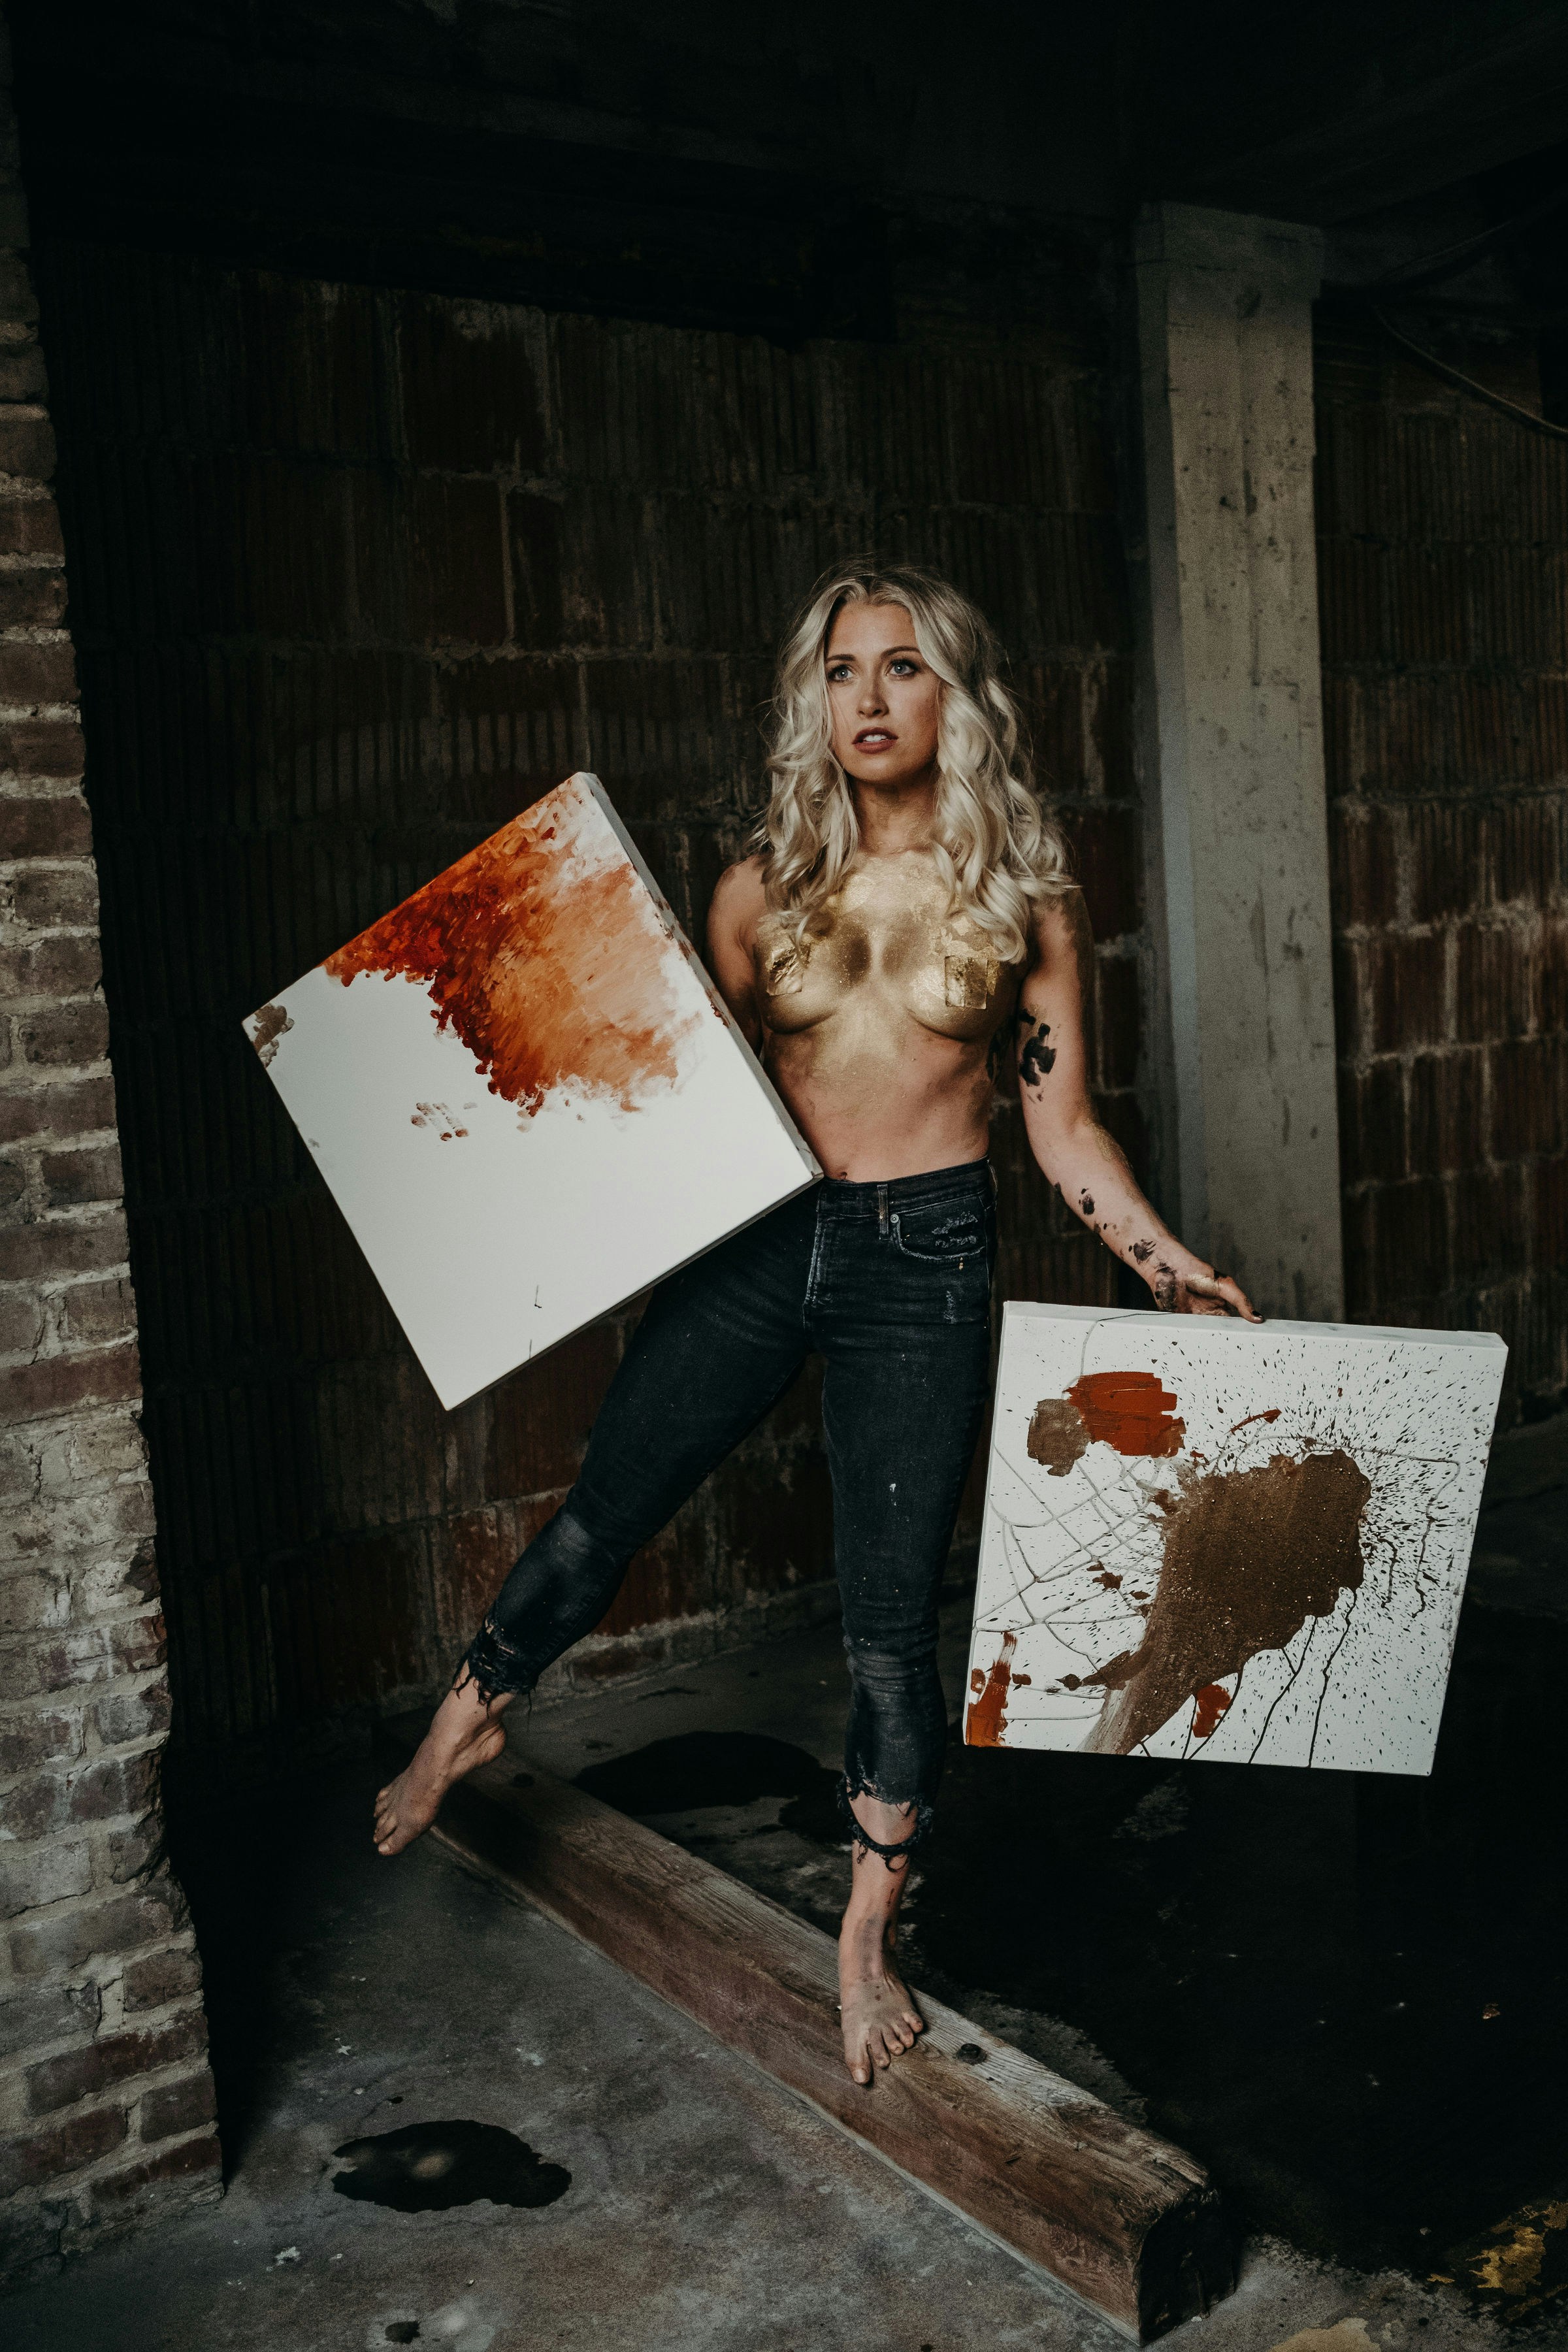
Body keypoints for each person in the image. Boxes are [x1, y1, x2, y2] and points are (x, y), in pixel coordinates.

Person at [372, 563, 1260, 2086]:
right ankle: (466, 1719)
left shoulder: (1023, 903)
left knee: (887, 1628)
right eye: (842, 669)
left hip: (923, 1257)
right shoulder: (754, 887)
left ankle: (862, 1946)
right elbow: (657, 1105)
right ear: (815, 696)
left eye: (902, 668)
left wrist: (1163, 1259)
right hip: (762, 1239)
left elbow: (1065, 1134)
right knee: (605, 1511)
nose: (867, 697)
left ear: (952, 697)